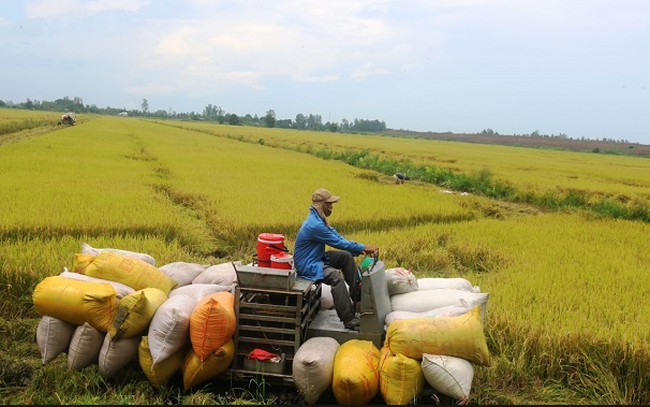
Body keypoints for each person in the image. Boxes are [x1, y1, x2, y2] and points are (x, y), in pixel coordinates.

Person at [293, 188, 378, 331]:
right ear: (321, 205)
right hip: (308, 264)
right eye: (329, 204)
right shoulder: (315, 225)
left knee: (345, 256)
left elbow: (338, 237)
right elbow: (338, 242)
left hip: (316, 258)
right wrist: (364, 246)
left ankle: (357, 296)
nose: (331, 207)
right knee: (336, 277)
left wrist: (359, 248)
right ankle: (348, 319)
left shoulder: (320, 219)